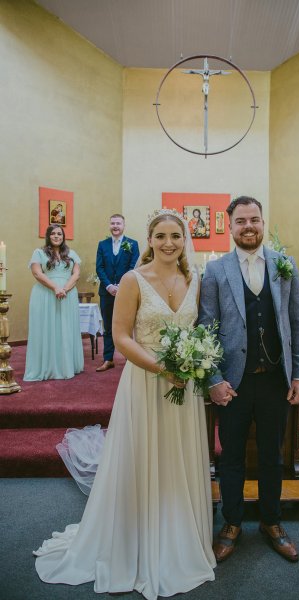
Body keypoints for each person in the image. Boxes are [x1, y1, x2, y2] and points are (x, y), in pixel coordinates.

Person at [34, 209, 216, 598]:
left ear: (185, 241)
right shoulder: (134, 280)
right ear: (149, 240)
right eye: (161, 235)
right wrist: (162, 367)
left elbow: (197, 329)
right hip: (146, 383)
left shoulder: (193, 278)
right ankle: (137, 537)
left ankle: (179, 533)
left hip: (183, 387)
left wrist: (193, 359)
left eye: (176, 236)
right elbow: (120, 337)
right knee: (142, 456)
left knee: (176, 458)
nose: (169, 243)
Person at [198, 196, 299, 563]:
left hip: (275, 380)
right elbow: (206, 327)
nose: (249, 226)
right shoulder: (216, 271)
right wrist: (213, 378)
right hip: (232, 383)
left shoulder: (284, 265)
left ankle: (271, 522)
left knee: (271, 456)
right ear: (230, 226)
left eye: (255, 220)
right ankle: (231, 524)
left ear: (263, 223)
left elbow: (297, 324)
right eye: (241, 220)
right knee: (229, 457)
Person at [24, 225, 84, 381]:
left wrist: (64, 289)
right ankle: (46, 366)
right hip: (45, 294)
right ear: (48, 236)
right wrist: (55, 288)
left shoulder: (72, 254)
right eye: (53, 234)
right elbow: (37, 273)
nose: (57, 236)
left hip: (67, 294)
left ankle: (66, 365)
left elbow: (76, 274)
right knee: (46, 328)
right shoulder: (39, 252)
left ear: (63, 236)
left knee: (65, 327)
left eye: (59, 233)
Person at [95, 213, 139, 371]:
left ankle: (130, 358)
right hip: (106, 292)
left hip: (126, 292)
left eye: (118, 223)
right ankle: (108, 359)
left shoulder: (132, 244)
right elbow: (99, 267)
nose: (115, 226)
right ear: (109, 225)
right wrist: (109, 286)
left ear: (123, 226)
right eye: (113, 223)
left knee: (127, 325)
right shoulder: (102, 244)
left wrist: (121, 286)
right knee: (108, 327)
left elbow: (133, 266)